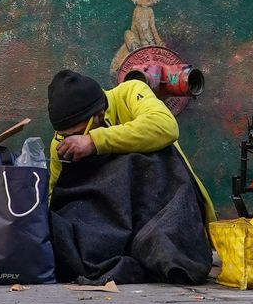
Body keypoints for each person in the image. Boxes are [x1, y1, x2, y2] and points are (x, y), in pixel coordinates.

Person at [44, 69, 215, 284]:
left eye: (79, 132)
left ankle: (158, 251)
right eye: (65, 136)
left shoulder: (131, 92)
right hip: (111, 226)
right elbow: (56, 196)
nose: (73, 140)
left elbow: (166, 127)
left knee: (151, 154)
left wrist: (94, 142)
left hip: (161, 210)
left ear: (99, 113)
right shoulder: (62, 144)